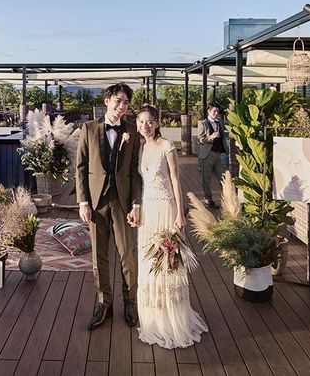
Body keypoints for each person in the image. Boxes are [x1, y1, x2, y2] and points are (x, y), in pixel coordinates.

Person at [134, 104, 207, 349]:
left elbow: (176, 180)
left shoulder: (167, 146)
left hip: (165, 209)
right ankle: (153, 319)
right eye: (141, 121)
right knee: (148, 263)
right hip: (147, 212)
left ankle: (171, 321)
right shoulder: (141, 147)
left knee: (168, 263)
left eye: (149, 121)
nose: (145, 126)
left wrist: (179, 214)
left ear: (157, 123)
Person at [76, 83, 142, 331]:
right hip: (96, 202)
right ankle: (104, 304)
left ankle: (130, 302)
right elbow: (81, 167)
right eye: (118, 100)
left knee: (127, 254)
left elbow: (135, 170)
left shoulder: (132, 131)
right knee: (99, 255)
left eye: (126, 102)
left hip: (122, 201)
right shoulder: (89, 128)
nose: (122, 106)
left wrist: (136, 203)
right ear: (106, 101)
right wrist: (83, 201)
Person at [197, 102, 229, 208]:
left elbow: (223, 136)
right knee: (206, 179)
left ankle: (227, 200)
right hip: (207, 155)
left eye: (217, 111)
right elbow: (200, 139)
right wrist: (211, 137)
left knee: (223, 178)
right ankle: (208, 200)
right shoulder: (203, 123)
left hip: (218, 155)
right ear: (209, 111)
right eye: (214, 111)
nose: (216, 113)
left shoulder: (220, 122)